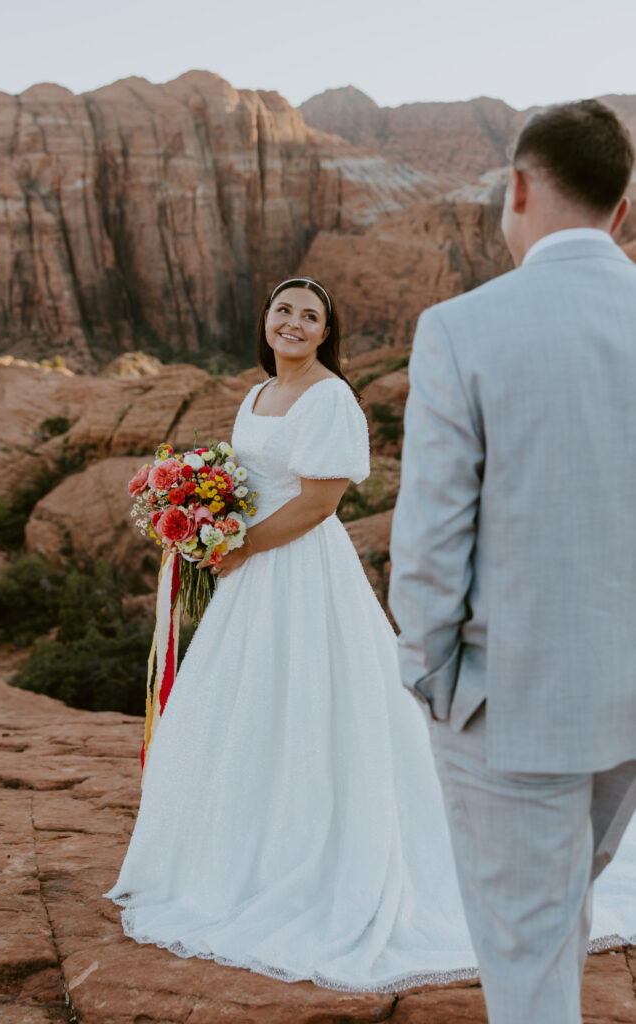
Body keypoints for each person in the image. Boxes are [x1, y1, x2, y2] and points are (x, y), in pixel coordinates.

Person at [104, 273, 635, 993]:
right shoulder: (257, 395)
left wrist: (238, 545)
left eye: (309, 316)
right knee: (247, 706)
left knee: (318, 702)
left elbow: (320, 502)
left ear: (327, 333)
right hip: (249, 577)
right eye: (283, 309)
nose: (292, 322)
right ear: (266, 319)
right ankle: (236, 855)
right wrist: (205, 527)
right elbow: (243, 480)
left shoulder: (331, 398)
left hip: (295, 571)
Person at [389, 99, 636, 1023]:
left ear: (519, 188)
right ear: (621, 207)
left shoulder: (462, 327)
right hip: (627, 695)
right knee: (560, 909)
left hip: (509, 702)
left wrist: (430, 676)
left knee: (524, 950)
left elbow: (430, 536)